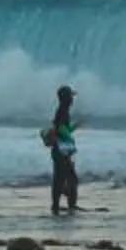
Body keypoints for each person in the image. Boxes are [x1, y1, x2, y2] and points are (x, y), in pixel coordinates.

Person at [42, 84, 80, 214]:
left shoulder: (61, 111)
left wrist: (71, 128)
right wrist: (73, 128)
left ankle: (57, 205)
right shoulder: (63, 112)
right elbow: (62, 130)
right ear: (66, 98)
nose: (72, 99)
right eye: (71, 97)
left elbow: (61, 129)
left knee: (60, 178)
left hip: (59, 150)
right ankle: (70, 205)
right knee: (71, 179)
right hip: (62, 150)